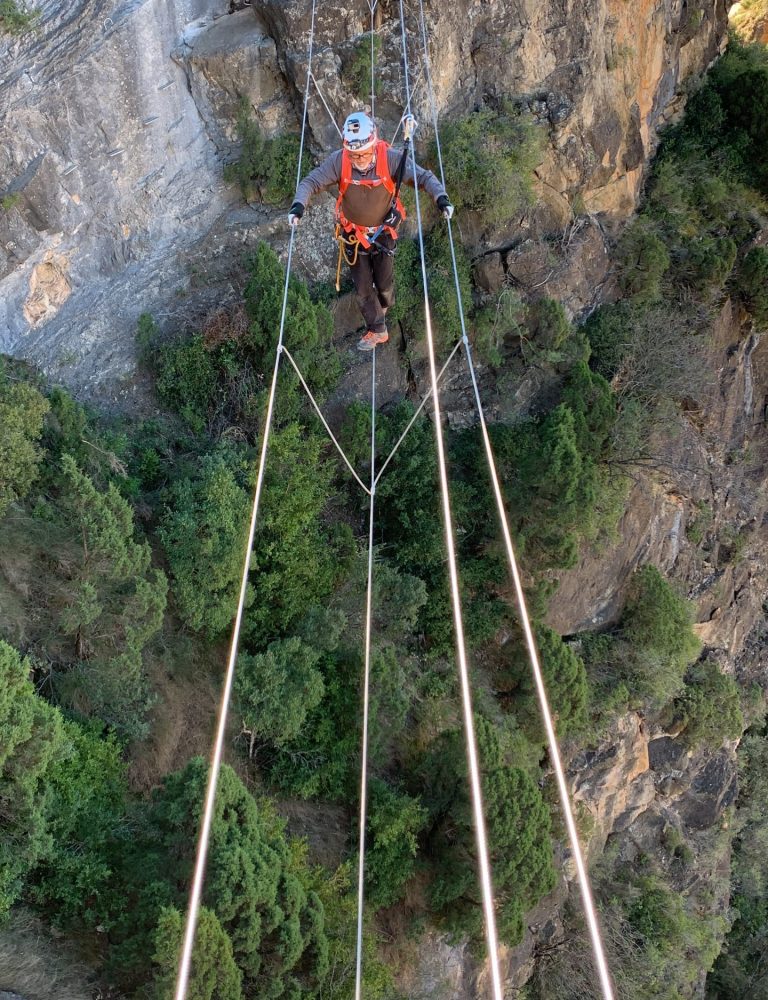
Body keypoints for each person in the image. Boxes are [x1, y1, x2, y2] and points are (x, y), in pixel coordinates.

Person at [288, 111, 454, 351]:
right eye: (354, 155)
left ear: (374, 145)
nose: (359, 160)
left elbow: (423, 177)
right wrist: (298, 206)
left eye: (364, 154)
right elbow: (311, 182)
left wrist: (441, 198)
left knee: (385, 284)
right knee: (364, 288)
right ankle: (378, 329)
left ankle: (383, 306)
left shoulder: (390, 159)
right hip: (353, 236)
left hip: (383, 233)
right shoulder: (340, 161)